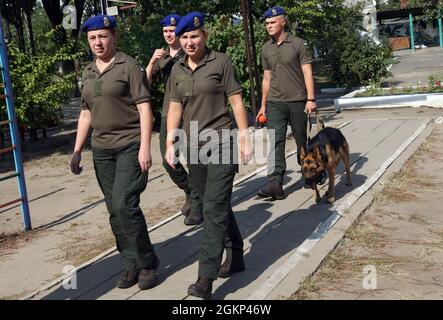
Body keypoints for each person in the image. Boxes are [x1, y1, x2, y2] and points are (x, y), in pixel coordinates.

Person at [165, 12, 252, 299]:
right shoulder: (177, 70)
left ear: (204, 36)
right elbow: (175, 107)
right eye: (185, 37)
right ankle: (236, 252)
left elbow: (236, 100)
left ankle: (206, 276)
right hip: (192, 147)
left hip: (222, 141)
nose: (189, 42)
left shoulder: (221, 62)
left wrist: (244, 136)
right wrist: (170, 142)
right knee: (216, 204)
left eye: (194, 36)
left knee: (212, 209)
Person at [70, 14, 159, 290]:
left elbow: (145, 110)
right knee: (113, 210)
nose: (97, 42)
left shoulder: (128, 66)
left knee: (124, 204)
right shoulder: (86, 72)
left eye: (102, 36)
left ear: (114, 37)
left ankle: (147, 263)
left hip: (130, 146)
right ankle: (130, 262)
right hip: (102, 151)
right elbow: (86, 113)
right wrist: (76, 150)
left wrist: (145, 148)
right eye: (92, 38)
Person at [145, 14, 203, 226]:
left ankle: (197, 204)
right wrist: (152, 61)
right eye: (165, 31)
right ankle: (190, 189)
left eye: (172, 30)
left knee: (194, 159)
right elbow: (145, 85)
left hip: (191, 112)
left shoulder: (190, 50)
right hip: (169, 114)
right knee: (168, 160)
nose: (169, 34)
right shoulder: (162, 58)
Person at [256, 6, 317, 199]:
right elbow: (266, 79)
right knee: (276, 141)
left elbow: (307, 72)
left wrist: (311, 98)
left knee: (301, 141)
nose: (269, 26)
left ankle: (309, 174)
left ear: (283, 22)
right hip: (275, 102)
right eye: (266, 23)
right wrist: (263, 105)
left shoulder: (298, 44)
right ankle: (275, 182)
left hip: (298, 101)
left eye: (272, 22)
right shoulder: (266, 48)